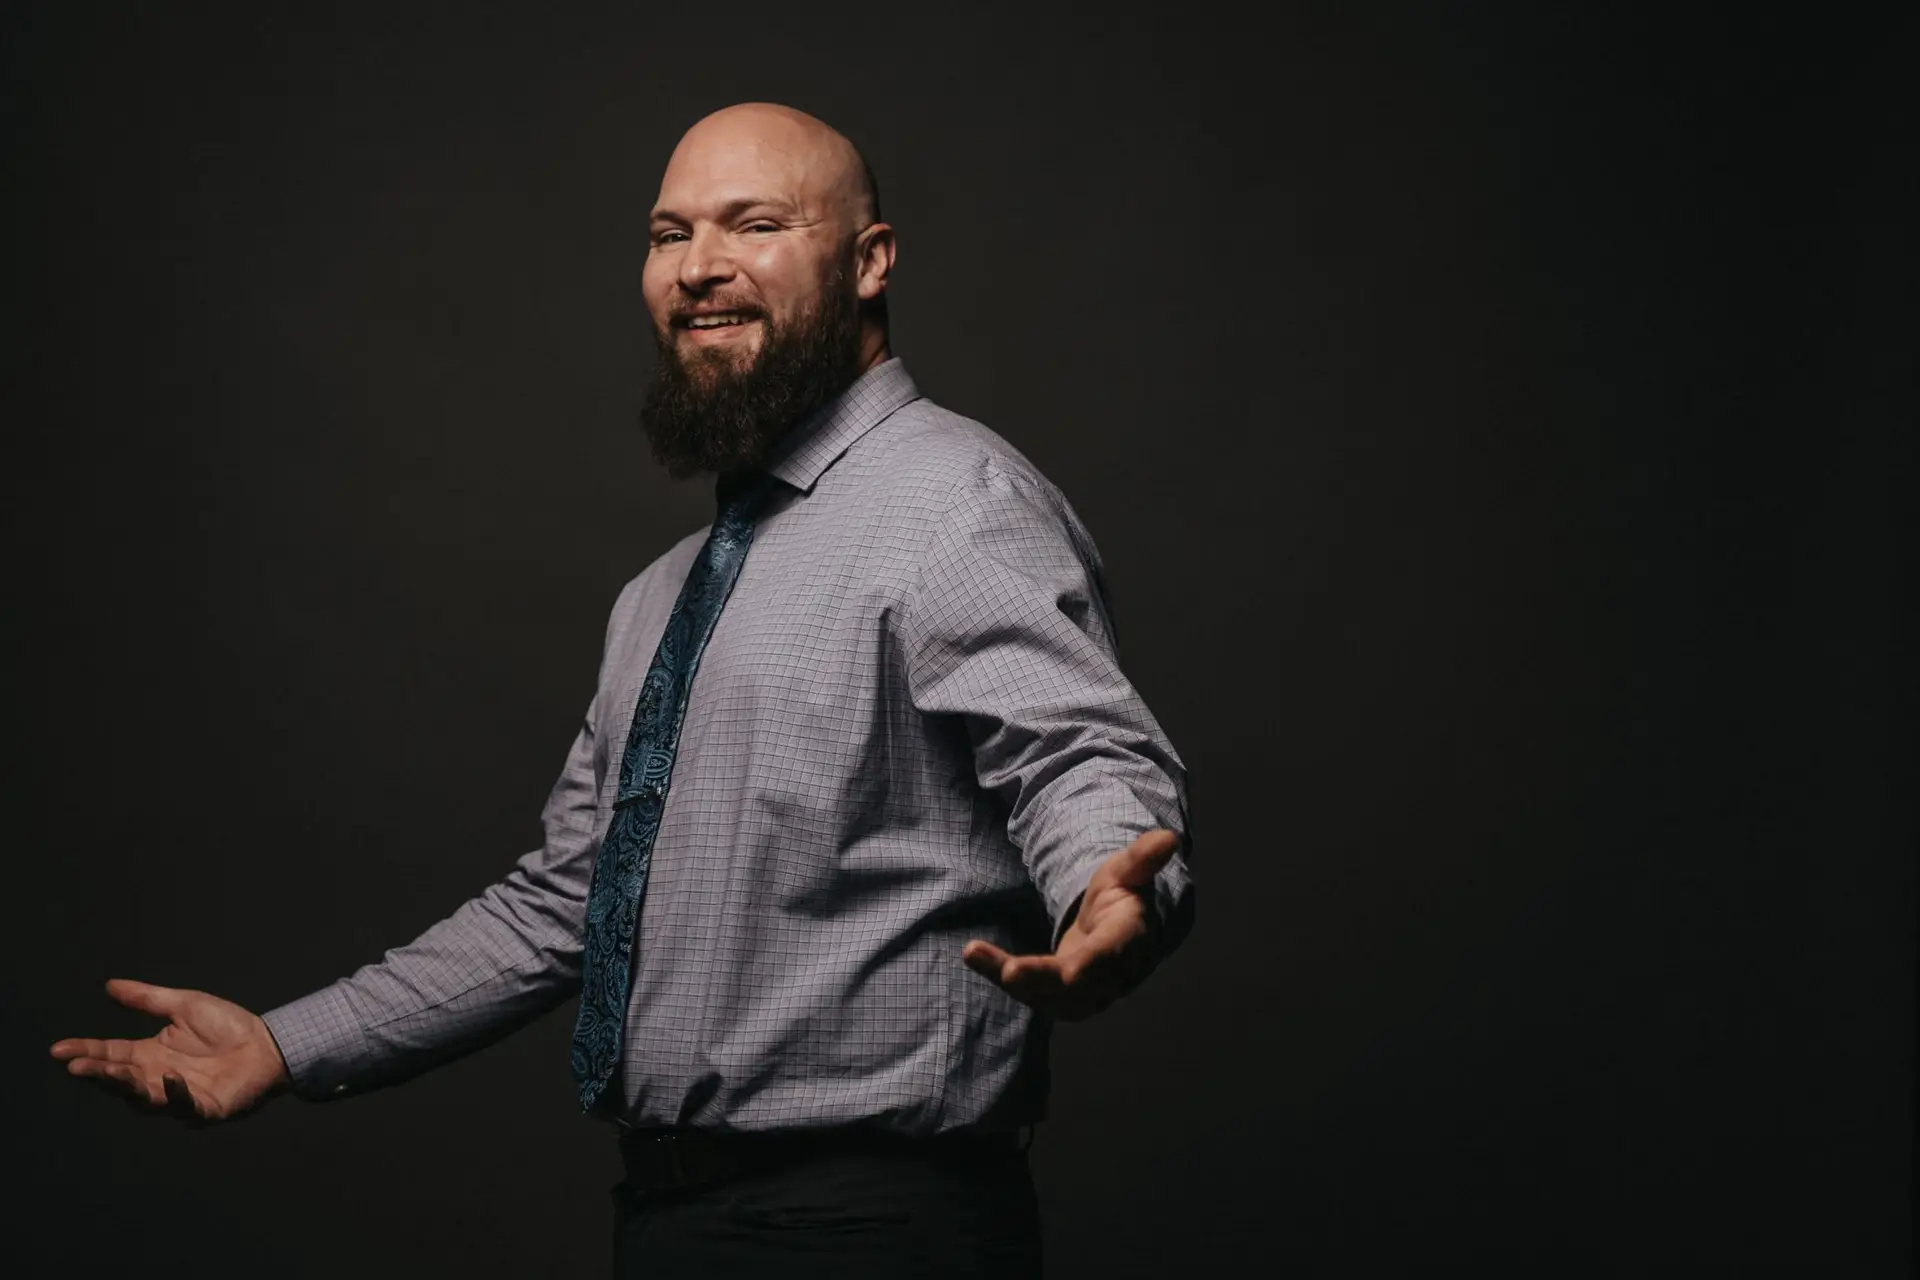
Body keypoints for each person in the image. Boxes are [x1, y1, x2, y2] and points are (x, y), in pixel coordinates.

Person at [49, 101, 1196, 1278]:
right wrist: (285, 1045)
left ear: (869, 260)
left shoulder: (957, 502)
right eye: (668, 233)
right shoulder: (663, 596)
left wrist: (1109, 896)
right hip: (669, 1223)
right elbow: (570, 903)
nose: (700, 267)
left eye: (754, 224)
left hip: (872, 1227)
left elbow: (1077, 759)